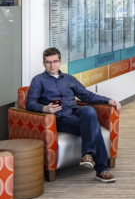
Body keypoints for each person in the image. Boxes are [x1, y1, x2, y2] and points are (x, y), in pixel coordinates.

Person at [26, 47, 120, 183]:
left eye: (55, 61)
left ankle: (88, 155)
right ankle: (102, 169)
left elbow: (86, 95)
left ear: (60, 62)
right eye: (48, 62)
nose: (52, 65)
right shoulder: (38, 80)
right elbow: (30, 104)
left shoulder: (69, 78)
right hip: (59, 117)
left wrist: (108, 100)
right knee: (95, 127)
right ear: (43, 63)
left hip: (75, 111)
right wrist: (45, 108)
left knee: (89, 110)